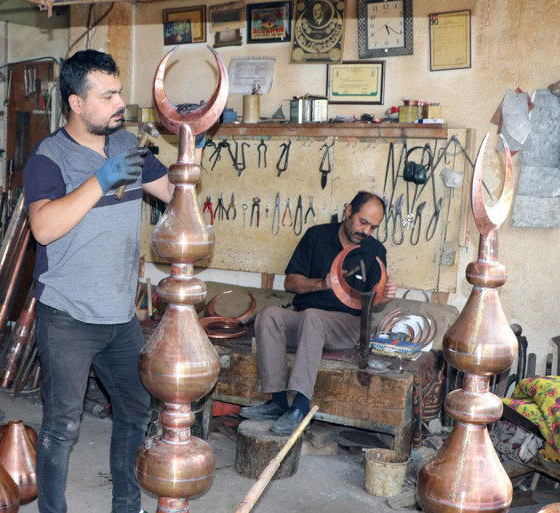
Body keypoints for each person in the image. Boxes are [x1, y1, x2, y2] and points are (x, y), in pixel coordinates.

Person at [23, 48, 208, 513]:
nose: (120, 102)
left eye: (119, 92)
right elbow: (43, 228)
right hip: (67, 315)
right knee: (61, 426)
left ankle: (127, 506)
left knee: (135, 412)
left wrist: (194, 142)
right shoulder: (49, 157)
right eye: (107, 96)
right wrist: (101, 179)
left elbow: (175, 194)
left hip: (120, 316)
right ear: (76, 103)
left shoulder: (127, 145)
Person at [239, 191, 398, 436]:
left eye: (373, 227)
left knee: (313, 317)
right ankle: (278, 401)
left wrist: (383, 300)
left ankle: (300, 407)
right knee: (269, 315)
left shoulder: (374, 250)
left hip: (347, 326)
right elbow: (290, 283)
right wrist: (321, 284)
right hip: (306, 320)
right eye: (363, 222)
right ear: (348, 212)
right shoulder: (316, 236)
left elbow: (374, 306)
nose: (366, 231)